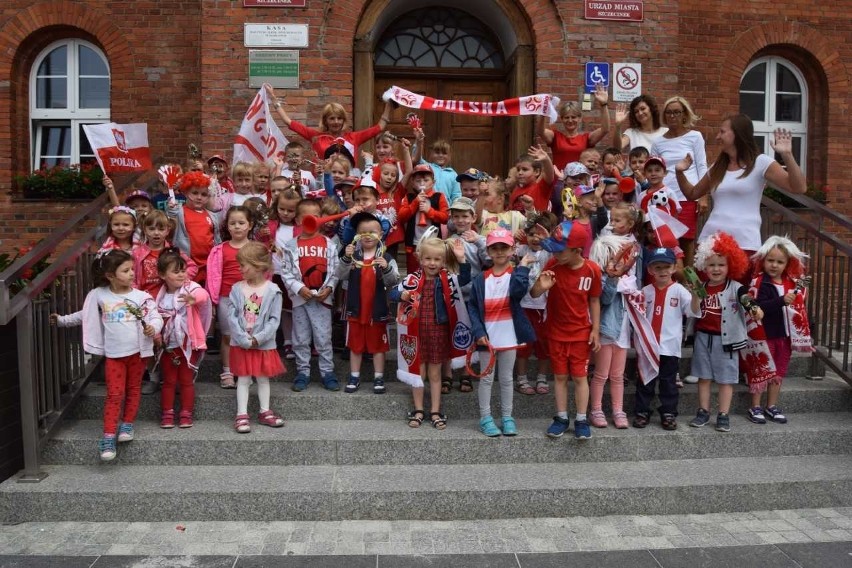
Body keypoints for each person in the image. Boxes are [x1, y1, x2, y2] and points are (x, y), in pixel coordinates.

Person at [51, 250, 163, 461]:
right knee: (114, 395)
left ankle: (127, 424)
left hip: (138, 353)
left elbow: (156, 317)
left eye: (132, 269)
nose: (131, 274)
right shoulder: (99, 295)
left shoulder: (141, 297)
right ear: (110, 275)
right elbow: (85, 315)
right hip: (114, 355)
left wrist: (153, 328)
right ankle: (108, 435)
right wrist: (62, 320)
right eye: (126, 270)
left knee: (133, 389)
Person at [675, 115, 807, 255]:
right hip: (711, 242)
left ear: (737, 134)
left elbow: (799, 188)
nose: (718, 137)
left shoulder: (761, 162)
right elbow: (692, 193)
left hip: (745, 243)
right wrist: (679, 172)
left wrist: (787, 155)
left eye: (722, 132)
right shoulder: (717, 167)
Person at [531, 221, 602, 440]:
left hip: (580, 333)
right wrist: (540, 288)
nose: (556, 253)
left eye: (561, 250)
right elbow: (534, 293)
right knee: (560, 377)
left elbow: (594, 300)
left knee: (580, 377)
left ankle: (581, 419)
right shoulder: (552, 265)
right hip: (555, 333)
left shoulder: (592, 269)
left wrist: (595, 329)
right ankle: (561, 417)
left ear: (577, 250)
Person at [391, 237, 470, 430]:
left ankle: (435, 410)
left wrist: (462, 260)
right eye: (428, 259)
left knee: (435, 374)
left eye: (437, 259)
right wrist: (400, 295)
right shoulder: (411, 280)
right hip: (415, 334)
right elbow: (392, 293)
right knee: (418, 373)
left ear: (443, 262)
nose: (432, 263)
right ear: (420, 259)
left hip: (438, 333)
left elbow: (466, 279)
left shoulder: (448, 279)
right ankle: (418, 410)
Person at [467, 229, 535, 437]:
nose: (499, 252)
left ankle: (507, 417)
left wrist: (522, 268)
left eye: (503, 247)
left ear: (512, 249)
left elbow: (517, 291)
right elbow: (472, 307)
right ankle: (485, 418)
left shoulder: (515, 275)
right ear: (488, 251)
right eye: (494, 248)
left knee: (506, 379)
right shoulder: (481, 279)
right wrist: (478, 331)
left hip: (509, 336)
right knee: (486, 379)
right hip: (487, 337)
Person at [687, 232, 758, 432]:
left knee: (726, 379)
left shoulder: (736, 288)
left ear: (730, 266)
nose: (716, 269)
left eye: (721, 264)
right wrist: (694, 296)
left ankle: (723, 414)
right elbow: (694, 312)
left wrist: (755, 308)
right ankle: (703, 411)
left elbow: (747, 299)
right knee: (704, 377)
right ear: (704, 266)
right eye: (711, 264)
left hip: (726, 341)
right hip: (703, 338)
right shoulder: (701, 287)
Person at [632, 247, 701, 430]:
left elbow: (693, 311)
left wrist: (695, 295)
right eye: (657, 267)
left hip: (669, 346)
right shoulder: (645, 292)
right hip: (648, 347)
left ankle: (668, 412)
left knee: (668, 382)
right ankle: (642, 411)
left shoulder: (679, 290)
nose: (662, 271)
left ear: (673, 268)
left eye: (666, 267)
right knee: (645, 380)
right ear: (650, 270)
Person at [589, 205, 643, 429]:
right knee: (601, 374)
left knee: (618, 375)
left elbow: (636, 285)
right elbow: (605, 299)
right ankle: (596, 409)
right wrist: (612, 278)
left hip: (623, 328)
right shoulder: (604, 275)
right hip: (607, 327)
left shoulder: (631, 272)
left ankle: (618, 410)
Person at [747, 236, 812, 425]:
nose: (774, 265)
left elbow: (798, 308)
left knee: (778, 372)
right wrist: (781, 300)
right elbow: (758, 307)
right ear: (763, 261)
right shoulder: (759, 282)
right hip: (764, 334)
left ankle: (772, 406)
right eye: (770, 260)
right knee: (761, 370)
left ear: (787, 264)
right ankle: (755, 406)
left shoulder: (792, 283)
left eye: (779, 262)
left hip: (785, 335)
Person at [281, 199, 340, 392]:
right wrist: (298, 288)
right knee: (300, 338)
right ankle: (303, 372)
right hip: (301, 299)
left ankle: (327, 372)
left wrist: (329, 288)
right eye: (307, 217)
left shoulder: (328, 244)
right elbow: (286, 272)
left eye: (316, 216)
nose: (312, 220)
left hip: (322, 299)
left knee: (323, 337)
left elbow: (334, 270)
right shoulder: (291, 246)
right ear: (298, 220)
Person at [338, 212, 400, 394]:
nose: (368, 235)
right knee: (355, 345)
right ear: (357, 235)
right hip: (355, 310)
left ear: (380, 235)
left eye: (372, 231)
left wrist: (386, 269)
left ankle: (378, 377)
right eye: (363, 232)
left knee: (378, 347)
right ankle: (354, 376)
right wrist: (345, 259)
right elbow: (339, 276)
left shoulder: (386, 257)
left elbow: (394, 281)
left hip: (377, 310)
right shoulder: (352, 256)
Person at [228, 242, 286, 433]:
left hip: (263, 345)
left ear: (258, 266)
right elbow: (232, 316)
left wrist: (258, 339)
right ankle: (241, 414)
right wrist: (243, 338)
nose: (240, 269)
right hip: (241, 343)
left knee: (262, 379)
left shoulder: (273, 290)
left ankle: (265, 411)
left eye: (243, 265)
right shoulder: (237, 289)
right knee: (243, 379)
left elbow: (274, 320)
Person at [154, 248, 212, 429]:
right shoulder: (159, 295)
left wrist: (193, 298)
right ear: (163, 275)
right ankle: (167, 413)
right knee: (169, 381)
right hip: (168, 345)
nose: (181, 274)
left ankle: (186, 413)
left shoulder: (191, 288)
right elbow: (154, 316)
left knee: (186, 380)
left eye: (183, 270)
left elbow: (203, 295)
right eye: (176, 271)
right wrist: (156, 335)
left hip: (188, 343)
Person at [650, 96, 708, 267]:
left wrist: (703, 196)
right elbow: (654, 168)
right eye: (668, 112)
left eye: (676, 112)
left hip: (688, 195)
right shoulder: (658, 141)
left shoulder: (695, 136)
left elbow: (702, 166)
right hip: (665, 197)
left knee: (687, 240)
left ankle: (688, 281)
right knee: (666, 238)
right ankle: (670, 278)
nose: (672, 116)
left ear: (684, 115)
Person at [265, 83, 393, 159]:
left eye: (339, 118)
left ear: (343, 121)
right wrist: (274, 100)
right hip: (322, 184)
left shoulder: (354, 137)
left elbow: (380, 127)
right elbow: (289, 122)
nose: (336, 122)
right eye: (332, 118)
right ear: (326, 120)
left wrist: (389, 104)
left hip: (346, 187)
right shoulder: (316, 136)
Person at [205, 206, 255, 389]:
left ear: (250, 225)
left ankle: (244, 370)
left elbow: (265, 274)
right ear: (227, 226)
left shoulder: (256, 249)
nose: (237, 227)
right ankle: (227, 370)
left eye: (241, 223)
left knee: (248, 335)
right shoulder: (220, 250)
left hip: (252, 298)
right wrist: (213, 300)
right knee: (227, 336)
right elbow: (213, 275)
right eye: (233, 223)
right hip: (226, 298)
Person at [445, 196, 490, 393]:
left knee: (470, 336)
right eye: (456, 216)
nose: (461, 220)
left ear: (473, 217)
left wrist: (479, 241)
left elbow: (489, 262)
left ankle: (466, 372)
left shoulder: (480, 240)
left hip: (473, 297)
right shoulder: (448, 241)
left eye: (465, 216)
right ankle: (447, 373)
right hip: (453, 295)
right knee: (449, 334)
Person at [515, 212, 557, 396]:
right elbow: (508, 249)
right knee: (524, 345)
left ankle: (541, 377)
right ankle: (522, 379)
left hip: (544, 307)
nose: (536, 238)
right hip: (524, 306)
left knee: (543, 345)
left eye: (541, 234)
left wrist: (549, 239)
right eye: (532, 234)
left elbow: (558, 248)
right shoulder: (521, 251)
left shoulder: (549, 253)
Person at [536, 84, 611, 171]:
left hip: (580, 182)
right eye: (566, 117)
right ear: (562, 119)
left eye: (574, 117)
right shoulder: (555, 136)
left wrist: (603, 104)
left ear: (579, 118)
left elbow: (605, 129)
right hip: (559, 181)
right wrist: (544, 111)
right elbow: (540, 131)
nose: (570, 120)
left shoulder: (586, 139)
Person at [167, 171, 221, 285]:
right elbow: (170, 231)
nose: (199, 197)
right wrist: (171, 213)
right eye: (195, 193)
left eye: (204, 194)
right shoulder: (180, 212)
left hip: (208, 265)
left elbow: (217, 239)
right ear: (186, 192)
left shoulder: (211, 215)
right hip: (188, 265)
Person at [397, 164, 450, 273]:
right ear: (412, 183)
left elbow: (445, 218)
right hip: (414, 244)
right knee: (413, 272)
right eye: (418, 181)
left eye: (426, 180)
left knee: (433, 270)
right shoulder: (409, 197)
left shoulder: (439, 196)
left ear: (433, 182)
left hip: (433, 243)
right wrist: (415, 203)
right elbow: (401, 217)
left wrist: (429, 211)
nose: (422, 183)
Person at [268, 188, 300, 358]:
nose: (285, 213)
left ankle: (292, 342)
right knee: (274, 309)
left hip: (293, 276)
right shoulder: (272, 225)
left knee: (290, 310)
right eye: (282, 209)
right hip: (274, 273)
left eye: (290, 210)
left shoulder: (300, 228)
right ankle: (275, 341)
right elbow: (262, 244)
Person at [507, 146, 555, 214]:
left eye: (525, 169)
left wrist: (546, 159)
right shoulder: (516, 190)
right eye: (518, 170)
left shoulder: (540, 188)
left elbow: (550, 174)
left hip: (536, 224)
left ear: (536, 172)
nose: (520, 173)